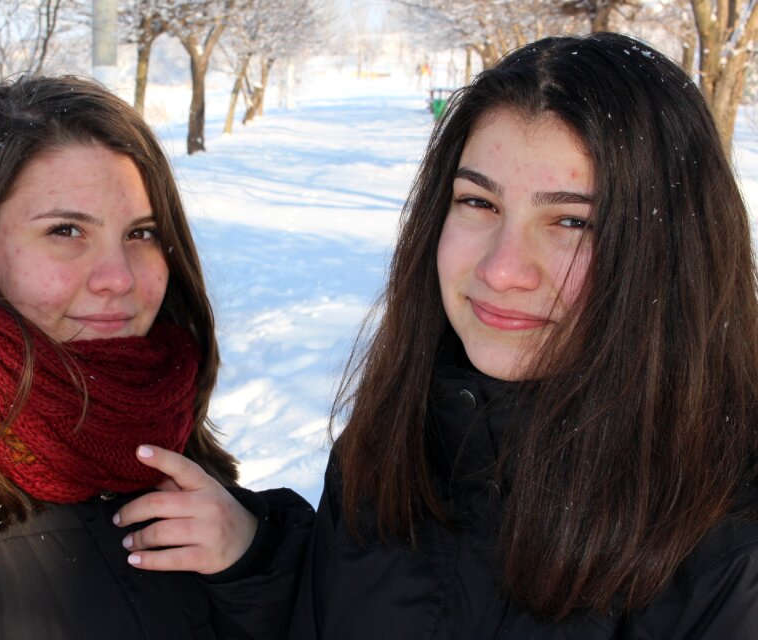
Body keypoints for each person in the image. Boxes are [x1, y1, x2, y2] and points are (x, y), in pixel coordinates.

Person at [0, 75, 312, 639]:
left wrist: (255, 562)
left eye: (141, 233)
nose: (119, 278)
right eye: (66, 230)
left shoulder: (153, 413)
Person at [291, 32, 758, 639]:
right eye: (479, 203)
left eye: (571, 220)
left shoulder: (730, 543)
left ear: (672, 252)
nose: (501, 270)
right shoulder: (388, 447)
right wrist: (254, 566)